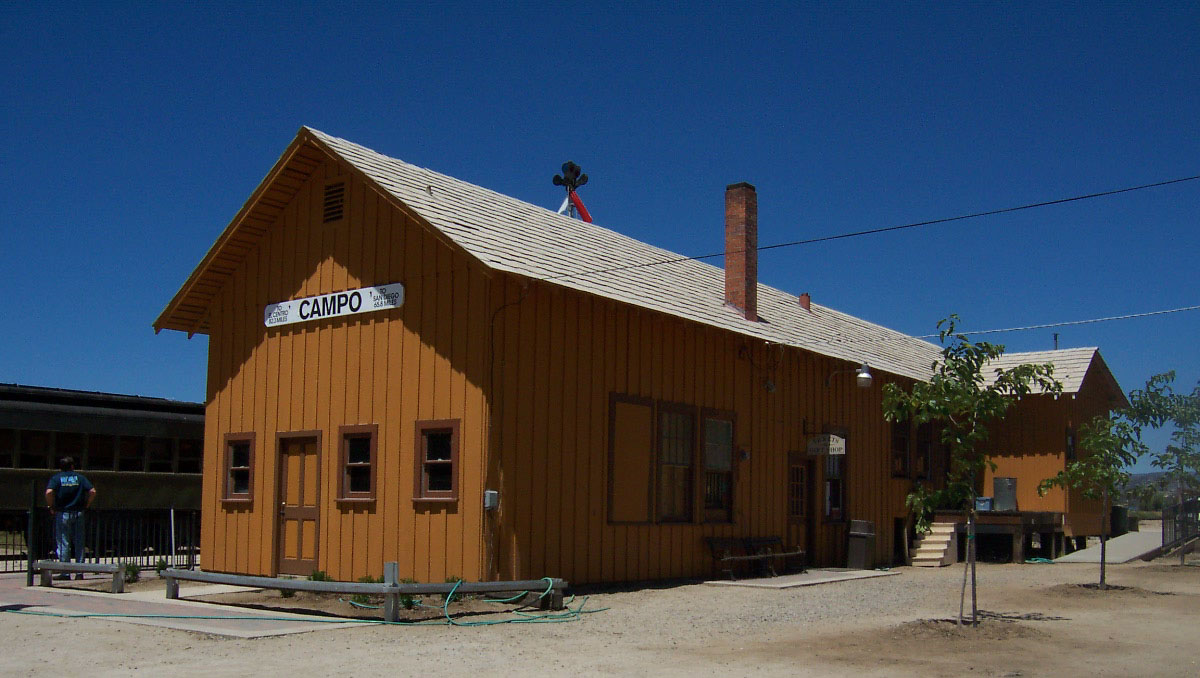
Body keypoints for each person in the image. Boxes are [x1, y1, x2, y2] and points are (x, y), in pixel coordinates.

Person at [45, 456, 96, 580]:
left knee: (63, 542)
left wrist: (51, 506)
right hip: (78, 512)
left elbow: (49, 492)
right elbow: (92, 491)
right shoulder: (80, 478)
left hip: (63, 513)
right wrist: (87, 505)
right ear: (72, 466)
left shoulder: (56, 478)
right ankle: (79, 572)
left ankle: (65, 572)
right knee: (79, 542)